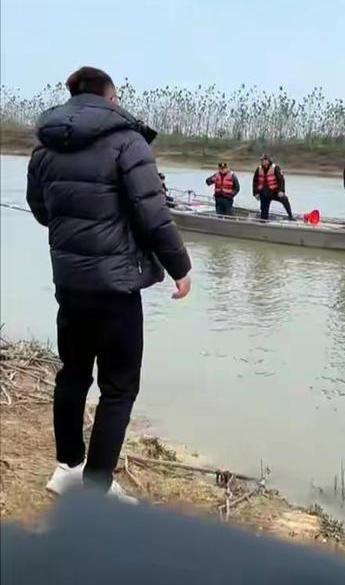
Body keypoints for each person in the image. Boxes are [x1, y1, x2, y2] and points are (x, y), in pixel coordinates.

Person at [26, 66, 192, 502]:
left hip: (69, 280)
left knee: (73, 374)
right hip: (116, 286)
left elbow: (41, 210)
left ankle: (67, 468)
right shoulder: (128, 141)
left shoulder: (44, 147)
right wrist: (180, 267)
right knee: (119, 386)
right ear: (109, 97)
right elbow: (152, 214)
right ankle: (97, 484)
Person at [252, 155, 294, 221]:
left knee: (284, 199)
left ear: (269, 161)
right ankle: (263, 221)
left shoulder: (275, 168)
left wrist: (281, 191)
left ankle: (290, 216)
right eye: (262, 160)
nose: (264, 162)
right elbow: (255, 181)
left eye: (265, 160)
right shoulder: (259, 169)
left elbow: (281, 180)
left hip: (275, 191)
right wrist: (255, 193)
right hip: (264, 193)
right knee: (264, 209)